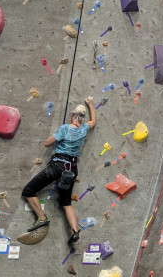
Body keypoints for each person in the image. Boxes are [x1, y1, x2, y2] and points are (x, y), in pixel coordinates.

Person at [22, 97, 96, 245]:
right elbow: (93, 121)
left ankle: (42, 218)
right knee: (66, 202)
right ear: (81, 118)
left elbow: (47, 143)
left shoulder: (65, 128)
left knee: (29, 190)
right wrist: (90, 104)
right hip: (71, 169)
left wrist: (57, 136)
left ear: (72, 116)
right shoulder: (84, 129)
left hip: (58, 165)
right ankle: (74, 231)